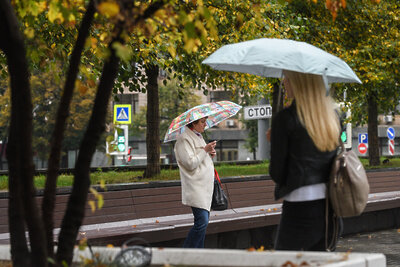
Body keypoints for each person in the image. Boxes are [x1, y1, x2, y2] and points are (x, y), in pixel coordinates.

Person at [269, 70, 341, 251]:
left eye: (288, 77)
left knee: (285, 262)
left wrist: (276, 143)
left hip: (298, 208)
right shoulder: (332, 118)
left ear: (298, 82)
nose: (284, 82)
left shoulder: (285, 118)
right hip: (329, 209)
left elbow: (277, 173)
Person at [174, 117, 217, 248]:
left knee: (203, 223)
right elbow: (190, 163)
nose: (205, 125)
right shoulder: (184, 139)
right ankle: (185, 255)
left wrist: (209, 153)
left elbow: (200, 158)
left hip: (204, 187)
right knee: (202, 222)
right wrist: (205, 150)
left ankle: (198, 256)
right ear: (194, 123)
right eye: (202, 122)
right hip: (195, 186)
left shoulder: (197, 136)